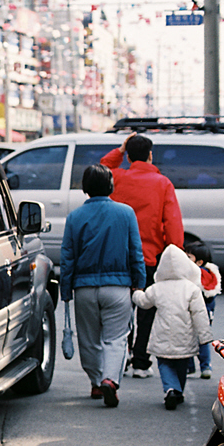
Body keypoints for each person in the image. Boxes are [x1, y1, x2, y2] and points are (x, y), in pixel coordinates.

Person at [60, 164, 146, 408]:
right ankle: (110, 379)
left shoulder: (74, 217)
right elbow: (135, 253)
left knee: (89, 339)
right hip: (118, 287)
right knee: (116, 338)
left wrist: (66, 291)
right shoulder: (126, 213)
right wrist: (138, 283)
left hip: (84, 288)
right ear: (110, 185)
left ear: (85, 188)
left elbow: (67, 258)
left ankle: (96, 382)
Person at [101, 132, 184, 379]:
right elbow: (172, 223)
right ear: (150, 155)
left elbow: (101, 167)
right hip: (149, 258)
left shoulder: (116, 178)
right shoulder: (162, 183)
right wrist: (174, 252)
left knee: (120, 309)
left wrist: (119, 149)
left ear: (128, 155)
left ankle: (121, 354)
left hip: (116, 257)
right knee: (146, 311)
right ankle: (140, 361)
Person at [132, 244, 213, 410]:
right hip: (184, 336)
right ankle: (178, 390)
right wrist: (204, 336)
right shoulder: (192, 289)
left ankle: (170, 389)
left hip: (162, 334)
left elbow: (143, 302)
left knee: (164, 364)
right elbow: (200, 314)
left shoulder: (157, 288)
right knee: (181, 365)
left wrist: (136, 292)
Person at [185, 240, 221, 379]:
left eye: (188, 257)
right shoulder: (210, 274)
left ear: (199, 262)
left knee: (188, 340)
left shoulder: (195, 274)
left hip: (194, 313)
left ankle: (190, 367)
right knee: (203, 340)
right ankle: (206, 367)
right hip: (207, 313)